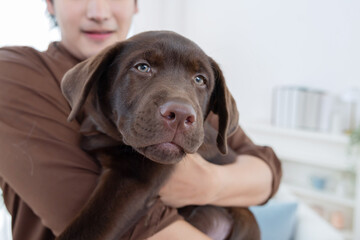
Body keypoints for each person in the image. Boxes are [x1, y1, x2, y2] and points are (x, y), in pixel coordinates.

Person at [0, 0, 282, 239]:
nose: (99, 12)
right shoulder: (15, 71)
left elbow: (267, 173)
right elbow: (141, 218)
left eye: (199, 79)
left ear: (136, 4)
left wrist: (209, 183)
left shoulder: (188, 101)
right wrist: (233, 186)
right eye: (143, 67)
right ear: (49, 2)